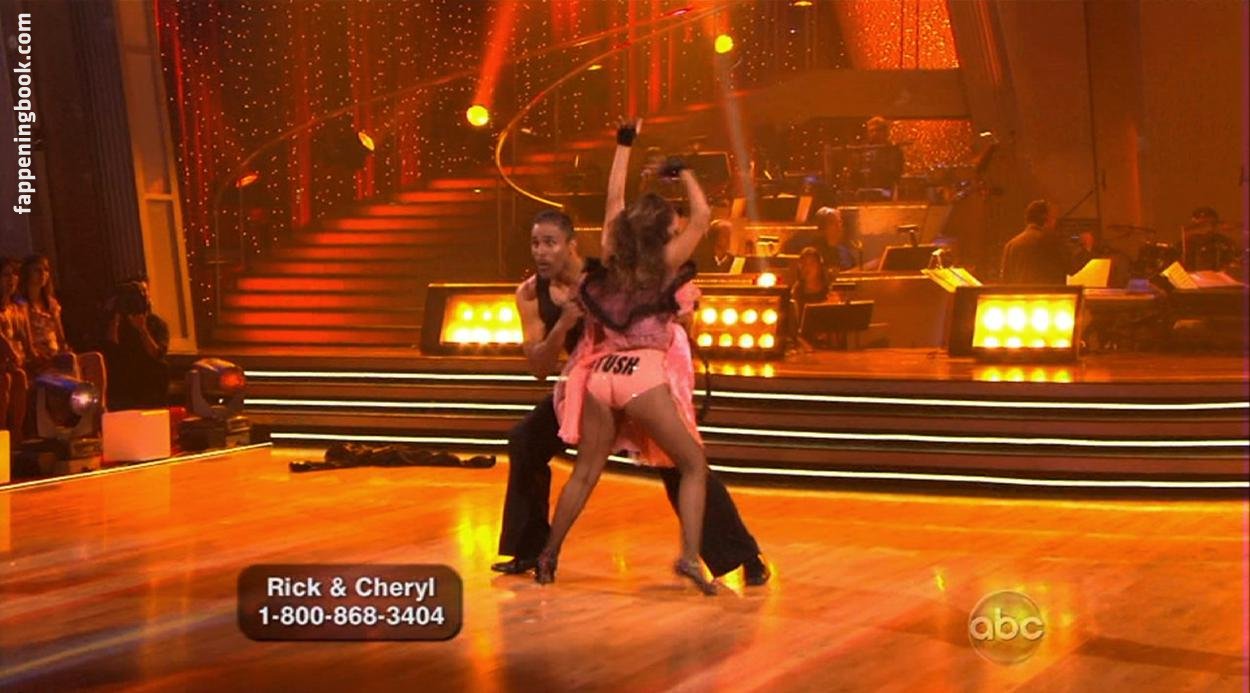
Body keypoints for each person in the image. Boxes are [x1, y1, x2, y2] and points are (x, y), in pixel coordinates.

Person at [496, 213, 768, 588]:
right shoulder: (529, 294)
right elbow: (540, 368)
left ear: (571, 245)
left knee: (678, 462)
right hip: (588, 389)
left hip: (636, 377)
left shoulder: (606, 275)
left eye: (550, 243)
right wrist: (563, 324)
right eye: (535, 243)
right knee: (525, 440)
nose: (541, 252)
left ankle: (741, 556)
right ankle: (530, 549)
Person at [535, 119, 719, 594]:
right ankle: (689, 556)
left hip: (599, 376)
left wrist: (624, 145)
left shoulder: (612, 253)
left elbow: (613, 199)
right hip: (643, 376)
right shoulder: (666, 264)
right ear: (663, 232)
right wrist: (683, 172)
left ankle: (548, 555)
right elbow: (703, 216)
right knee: (693, 466)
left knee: (584, 473)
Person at [17, 254, 107, 404]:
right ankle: (78, 406)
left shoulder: (51, 304)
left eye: (45, 270)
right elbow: (26, 339)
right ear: (27, 274)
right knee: (68, 361)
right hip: (39, 357)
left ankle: (98, 406)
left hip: (56, 352)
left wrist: (64, 347)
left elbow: (60, 336)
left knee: (95, 358)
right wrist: (40, 354)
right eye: (37, 270)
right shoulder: (21, 304)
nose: (42, 274)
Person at [101, 278, 171, 410]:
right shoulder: (117, 324)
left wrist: (142, 330)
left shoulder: (156, 324)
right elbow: (111, 349)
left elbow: (157, 354)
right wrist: (115, 318)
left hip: (150, 384)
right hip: (126, 385)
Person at [1000, 200, 1073, 284]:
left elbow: (1006, 281)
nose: (1055, 222)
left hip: (1022, 292)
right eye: (1053, 218)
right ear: (1046, 219)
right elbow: (1071, 267)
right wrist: (1084, 248)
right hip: (1049, 292)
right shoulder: (1052, 241)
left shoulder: (1011, 245)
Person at [789, 247, 847, 350]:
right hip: (806, 345)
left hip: (830, 344)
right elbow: (793, 329)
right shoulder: (796, 293)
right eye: (803, 263)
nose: (807, 267)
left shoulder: (830, 289)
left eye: (811, 263)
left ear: (820, 266)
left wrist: (838, 305)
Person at [1, 256, 32, 437]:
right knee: (4, 380)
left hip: (12, 364)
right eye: (6, 275)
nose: (11, 280)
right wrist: (11, 353)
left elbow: (24, 341)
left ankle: (16, 433)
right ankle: (2, 433)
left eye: (14, 275)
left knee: (19, 376)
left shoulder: (16, 308)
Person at [850, 116, 904, 195]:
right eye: (872, 131)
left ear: (885, 132)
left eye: (878, 130)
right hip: (865, 191)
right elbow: (855, 172)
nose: (875, 133)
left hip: (886, 191)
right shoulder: (862, 150)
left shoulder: (893, 150)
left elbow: (895, 174)